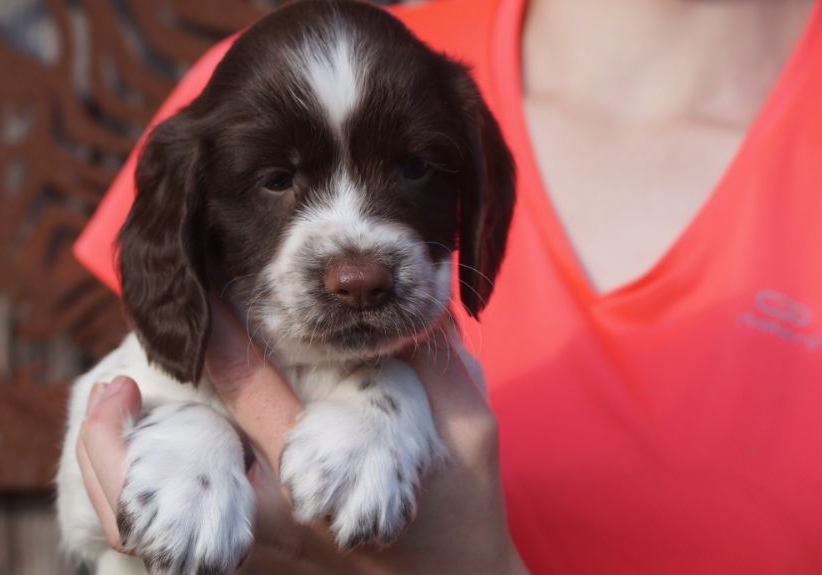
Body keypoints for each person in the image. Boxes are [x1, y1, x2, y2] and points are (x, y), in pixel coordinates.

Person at [73, 0, 822, 572]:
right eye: (277, 179)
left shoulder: (438, 94)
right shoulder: (252, 78)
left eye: (413, 168)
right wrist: (187, 434)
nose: (356, 265)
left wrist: (467, 560)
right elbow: (115, 418)